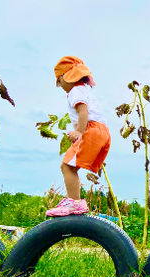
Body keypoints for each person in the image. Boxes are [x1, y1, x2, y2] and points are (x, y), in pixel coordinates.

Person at [46, 56, 111, 217]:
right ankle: (74, 201)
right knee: (71, 167)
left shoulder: (75, 91)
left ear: (65, 78)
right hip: (102, 131)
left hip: (92, 130)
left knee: (66, 166)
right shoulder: (83, 90)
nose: (59, 86)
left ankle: (74, 202)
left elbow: (83, 111)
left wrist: (80, 132)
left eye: (59, 82)